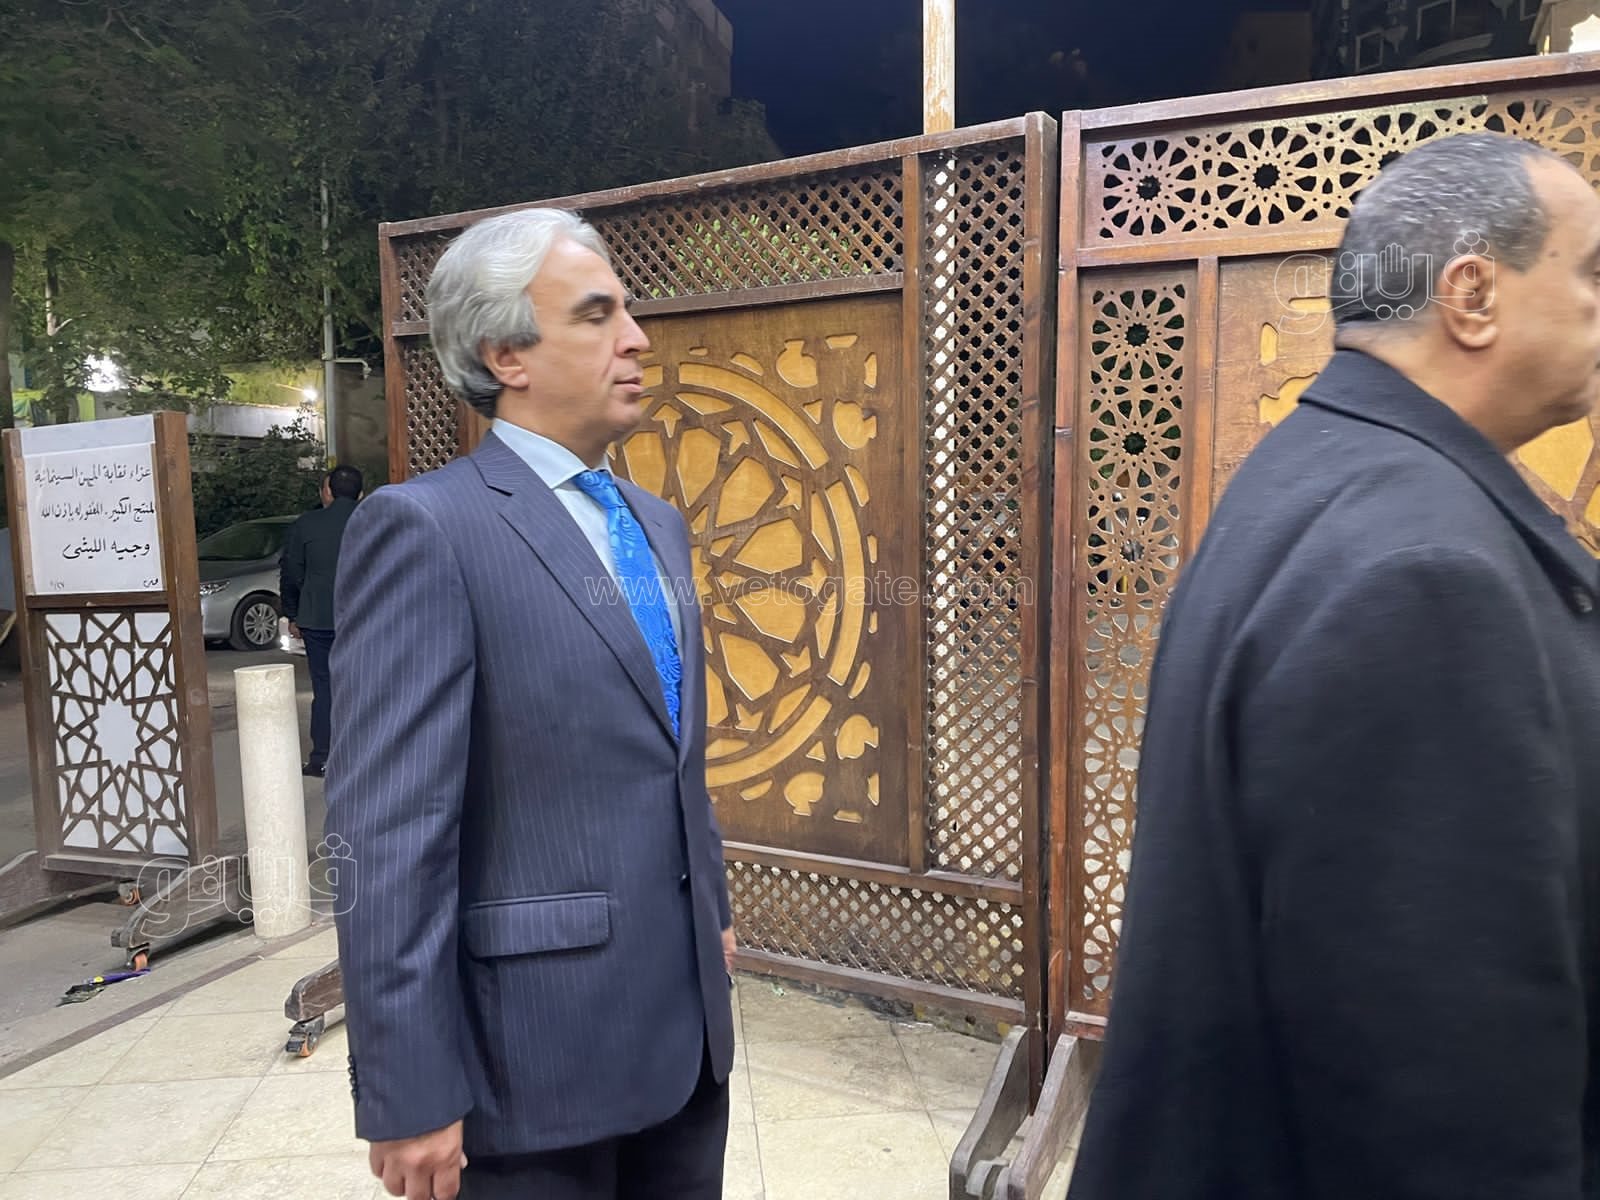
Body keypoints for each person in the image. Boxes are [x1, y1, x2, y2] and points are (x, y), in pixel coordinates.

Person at [1067, 132, 1600, 1199]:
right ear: (1472, 296)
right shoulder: (1427, 570)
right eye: (1588, 272)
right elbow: (1440, 1093)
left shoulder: (1314, 467)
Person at [325, 207, 737, 1200]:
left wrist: (711, 916)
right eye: (596, 315)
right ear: (505, 353)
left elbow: (669, 751)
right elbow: (388, 834)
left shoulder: (656, 524)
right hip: (530, 1063)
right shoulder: (425, 530)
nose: (637, 339)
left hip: (684, 1044)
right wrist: (409, 1090)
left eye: (626, 311)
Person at [278, 463, 362, 778]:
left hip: (318, 618)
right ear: (361, 493)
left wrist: (294, 612)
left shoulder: (306, 524)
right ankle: (363, 756)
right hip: (363, 618)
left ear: (327, 491)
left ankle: (323, 757)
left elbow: (291, 571)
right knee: (362, 684)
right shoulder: (374, 519)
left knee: (324, 686)